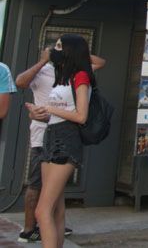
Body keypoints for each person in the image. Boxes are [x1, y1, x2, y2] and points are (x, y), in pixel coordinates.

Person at [15, 47, 104, 243]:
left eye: (61, 46)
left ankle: (45, 229)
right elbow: (20, 82)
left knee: (47, 207)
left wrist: (73, 53)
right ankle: (29, 229)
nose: (57, 50)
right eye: (55, 46)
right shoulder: (45, 71)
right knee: (39, 187)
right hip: (44, 136)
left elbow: (80, 115)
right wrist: (43, 61)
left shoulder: (78, 74)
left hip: (64, 139)